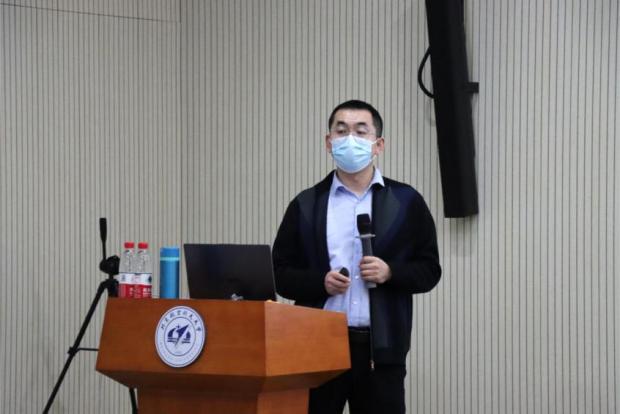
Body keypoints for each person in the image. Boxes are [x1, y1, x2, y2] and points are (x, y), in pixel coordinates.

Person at [272, 99, 441, 414]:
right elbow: (280, 274)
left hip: (381, 350)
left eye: (361, 132)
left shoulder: (406, 202)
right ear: (328, 142)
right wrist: (319, 282)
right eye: (341, 131)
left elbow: (430, 270)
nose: (350, 139)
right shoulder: (306, 204)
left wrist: (390, 272)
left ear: (378, 145)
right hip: (317, 347)